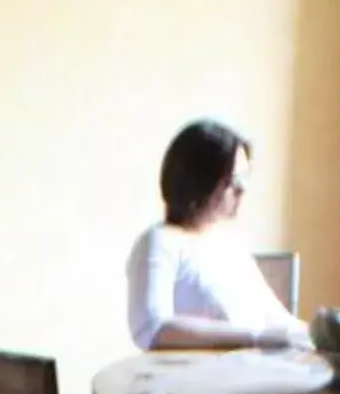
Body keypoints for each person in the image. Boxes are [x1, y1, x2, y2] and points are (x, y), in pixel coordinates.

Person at [125, 119, 307, 351]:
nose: (242, 190)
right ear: (200, 180)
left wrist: (325, 338)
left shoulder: (230, 247)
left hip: (249, 380)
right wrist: (256, 336)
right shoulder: (160, 242)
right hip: (190, 384)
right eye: (233, 181)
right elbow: (152, 329)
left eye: (245, 179)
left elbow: (276, 319)